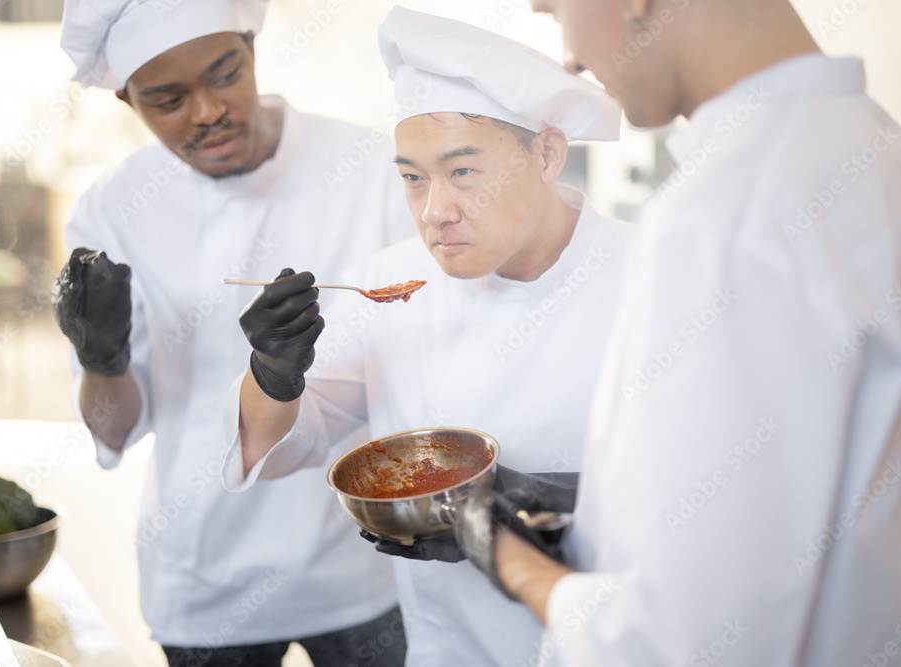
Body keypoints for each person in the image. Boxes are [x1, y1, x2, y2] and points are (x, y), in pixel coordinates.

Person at [485, 0, 901, 665]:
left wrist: (512, 560)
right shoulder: (881, 145)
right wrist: (600, 509)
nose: (572, 57)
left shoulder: (724, 214)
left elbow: (682, 645)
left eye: (556, 10)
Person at [222, 7, 634, 666]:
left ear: (548, 153)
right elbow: (278, 446)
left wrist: (566, 501)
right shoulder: (389, 283)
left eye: (463, 172)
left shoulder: (645, 283)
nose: (433, 211)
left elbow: (714, 510)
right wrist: (274, 372)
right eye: (413, 177)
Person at [52, 1, 413, 665]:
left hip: (361, 561)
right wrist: (99, 358)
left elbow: (418, 363)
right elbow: (112, 429)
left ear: (252, 45)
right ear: (127, 101)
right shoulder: (112, 210)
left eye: (225, 75)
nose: (207, 111)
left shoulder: (370, 167)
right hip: (207, 579)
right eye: (167, 99)